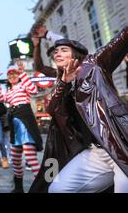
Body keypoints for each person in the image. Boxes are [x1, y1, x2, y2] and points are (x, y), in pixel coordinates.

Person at [30, 27, 128, 193]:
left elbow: (122, 37)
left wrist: (47, 34)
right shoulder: (61, 81)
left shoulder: (95, 64)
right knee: (57, 189)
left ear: (75, 54)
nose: (57, 54)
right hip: (95, 152)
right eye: (55, 52)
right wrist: (63, 82)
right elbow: (51, 109)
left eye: (63, 50)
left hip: (120, 146)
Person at [0, 61, 43, 193]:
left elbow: (33, 90)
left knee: (30, 156)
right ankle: (18, 188)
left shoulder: (22, 85)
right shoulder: (9, 91)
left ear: (18, 75)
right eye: (9, 75)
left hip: (24, 119)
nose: (12, 76)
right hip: (14, 122)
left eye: (14, 73)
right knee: (15, 158)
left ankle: (43, 188)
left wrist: (23, 73)